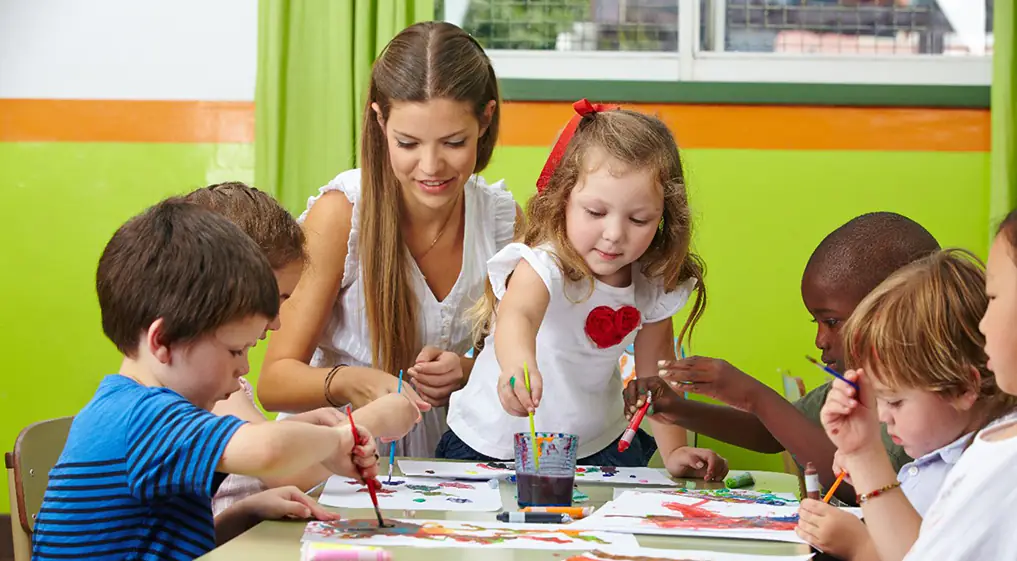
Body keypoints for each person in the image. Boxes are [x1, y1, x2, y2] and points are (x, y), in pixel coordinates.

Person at [30, 199, 380, 561]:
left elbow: (156, 540)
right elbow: (269, 450)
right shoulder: (147, 418)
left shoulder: (131, 408)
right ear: (162, 341)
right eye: (235, 351)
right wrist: (334, 442)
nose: (244, 367)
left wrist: (242, 515)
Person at [258, 21, 521, 459]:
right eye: (408, 143)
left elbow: (519, 362)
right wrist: (350, 381)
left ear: (485, 119)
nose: (431, 165)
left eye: (454, 142)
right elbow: (274, 383)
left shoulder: (500, 220)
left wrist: (467, 371)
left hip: (453, 462)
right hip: (338, 455)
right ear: (381, 122)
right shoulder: (343, 214)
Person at [440, 100, 726, 476]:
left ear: (664, 218)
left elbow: (653, 380)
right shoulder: (545, 263)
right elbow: (518, 315)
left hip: (594, 447)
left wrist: (673, 453)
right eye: (595, 213)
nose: (614, 234)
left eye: (639, 219)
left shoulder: (650, 283)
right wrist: (516, 368)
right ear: (563, 200)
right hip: (493, 443)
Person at [624, 212, 940, 500]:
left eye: (831, 322)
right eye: (815, 323)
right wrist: (677, 409)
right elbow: (775, 433)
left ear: (890, 312)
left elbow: (858, 486)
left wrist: (754, 396)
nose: (820, 340)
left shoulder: (923, 402)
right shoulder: (852, 384)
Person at [185, 182, 424, 516]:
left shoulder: (215, 379)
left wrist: (302, 430)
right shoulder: (203, 382)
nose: (277, 323)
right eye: (272, 301)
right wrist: (372, 421)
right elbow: (281, 468)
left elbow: (259, 441)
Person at [795, 248, 1017, 560]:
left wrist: (861, 546)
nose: (884, 416)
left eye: (896, 401)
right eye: (879, 399)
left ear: (964, 387)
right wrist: (864, 460)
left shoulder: (985, 473)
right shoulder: (938, 458)